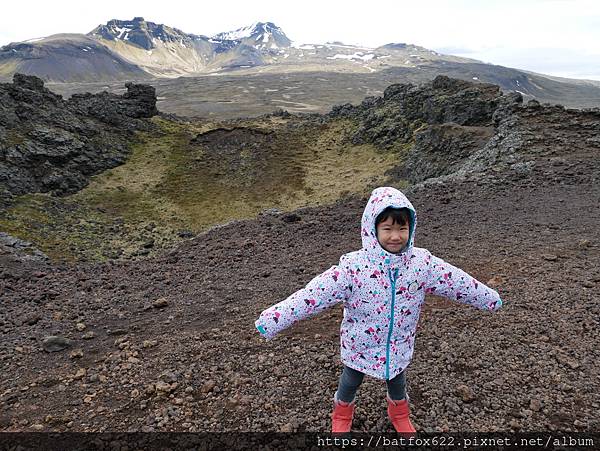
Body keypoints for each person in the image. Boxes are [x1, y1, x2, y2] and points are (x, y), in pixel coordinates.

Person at [254, 186, 502, 433]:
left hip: (398, 343)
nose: (395, 236)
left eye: (402, 228)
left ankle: (400, 414)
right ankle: (341, 414)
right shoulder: (353, 268)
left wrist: (488, 298)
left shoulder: (422, 264)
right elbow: (313, 295)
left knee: (397, 380)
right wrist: (275, 319)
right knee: (350, 380)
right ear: (372, 230)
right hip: (360, 344)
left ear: (411, 228)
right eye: (388, 229)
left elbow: (457, 281)